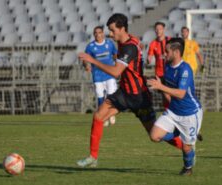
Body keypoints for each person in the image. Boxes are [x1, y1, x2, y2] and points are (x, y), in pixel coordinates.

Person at [77, 13, 182, 168]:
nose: (110, 34)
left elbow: (116, 72)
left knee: (155, 136)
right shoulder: (126, 40)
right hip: (124, 93)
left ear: (122, 29)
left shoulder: (129, 48)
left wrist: (92, 60)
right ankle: (93, 157)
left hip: (139, 97)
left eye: (113, 30)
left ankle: (185, 144)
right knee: (99, 116)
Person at [147, 37, 203, 176]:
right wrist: (160, 85)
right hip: (173, 111)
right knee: (154, 136)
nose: (164, 54)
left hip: (190, 112)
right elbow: (168, 87)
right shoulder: (167, 66)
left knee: (186, 148)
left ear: (176, 52)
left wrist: (160, 86)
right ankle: (178, 131)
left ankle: (188, 168)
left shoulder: (185, 69)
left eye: (167, 51)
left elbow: (181, 93)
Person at [84, 26, 118, 127]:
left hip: (109, 73)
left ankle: (110, 114)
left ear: (103, 33)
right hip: (97, 74)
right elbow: (85, 58)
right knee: (100, 96)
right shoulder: (90, 46)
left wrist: (117, 65)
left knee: (111, 94)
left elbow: (115, 55)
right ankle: (103, 116)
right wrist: (86, 65)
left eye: (100, 32)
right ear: (94, 34)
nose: (98, 34)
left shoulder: (109, 44)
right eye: (96, 33)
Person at [181, 26, 204, 142]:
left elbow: (199, 54)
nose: (184, 33)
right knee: (185, 98)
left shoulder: (193, 43)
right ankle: (190, 127)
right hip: (182, 73)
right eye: (183, 31)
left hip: (190, 72)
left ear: (188, 33)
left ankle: (192, 128)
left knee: (187, 97)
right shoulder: (179, 43)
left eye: (186, 31)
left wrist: (202, 64)